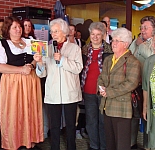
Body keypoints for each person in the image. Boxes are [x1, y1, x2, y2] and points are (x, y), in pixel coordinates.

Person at [0, 16, 43, 150]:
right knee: (14, 113)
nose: (18, 29)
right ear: (8, 30)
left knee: (30, 111)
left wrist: (31, 65)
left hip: (31, 82)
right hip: (12, 84)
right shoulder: (0, 44)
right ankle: (14, 142)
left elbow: (37, 57)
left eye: (19, 27)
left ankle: (29, 142)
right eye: (15, 27)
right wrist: (20, 70)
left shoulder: (30, 41)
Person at [34, 18, 83, 150]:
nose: (53, 34)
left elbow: (78, 68)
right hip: (53, 92)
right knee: (54, 125)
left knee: (71, 125)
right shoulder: (47, 48)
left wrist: (62, 60)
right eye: (52, 31)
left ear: (64, 32)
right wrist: (39, 62)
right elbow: (42, 74)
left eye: (56, 31)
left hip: (70, 92)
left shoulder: (75, 48)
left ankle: (71, 147)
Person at [98, 27, 141, 150]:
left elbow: (131, 83)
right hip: (106, 106)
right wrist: (101, 88)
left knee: (122, 145)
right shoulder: (108, 59)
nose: (114, 43)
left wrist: (109, 92)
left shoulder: (133, 61)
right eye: (113, 40)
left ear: (126, 44)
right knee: (110, 143)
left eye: (118, 40)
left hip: (122, 108)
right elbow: (101, 77)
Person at [81, 22, 113, 150]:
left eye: (98, 34)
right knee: (91, 121)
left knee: (103, 121)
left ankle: (104, 147)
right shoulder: (84, 50)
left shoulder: (110, 50)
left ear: (104, 35)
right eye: (92, 34)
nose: (95, 37)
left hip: (103, 91)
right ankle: (94, 146)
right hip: (88, 90)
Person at [133, 15, 155, 149]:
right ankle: (135, 143)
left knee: (149, 117)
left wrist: (141, 45)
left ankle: (149, 146)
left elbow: (154, 58)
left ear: (154, 29)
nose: (142, 30)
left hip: (150, 86)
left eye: (145, 28)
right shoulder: (137, 41)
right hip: (135, 84)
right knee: (136, 116)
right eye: (141, 27)